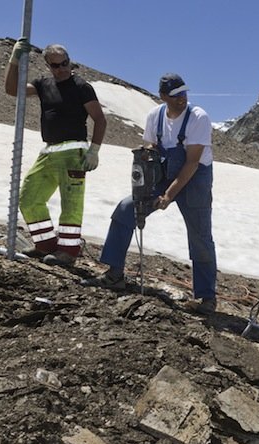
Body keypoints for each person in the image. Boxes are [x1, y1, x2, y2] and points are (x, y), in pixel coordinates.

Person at [83, 73, 218, 315]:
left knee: (200, 236)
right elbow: (151, 146)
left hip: (194, 179)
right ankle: (114, 275)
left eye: (184, 93)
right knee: (126, 210)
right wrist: (147, 166)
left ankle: (206, 297)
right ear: (163, 97)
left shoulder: (198, 118)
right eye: (176, 96)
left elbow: (192, 163)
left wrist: (168, 196)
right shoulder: (154, 117)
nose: (182, 99)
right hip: (163, 173)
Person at [4, 38, 107, 266]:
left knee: (71, 203)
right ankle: (46, 246)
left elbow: (100, 119)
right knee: (29, 198)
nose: (61, 69)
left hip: (74, 152)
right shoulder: (43, 84)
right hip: (49, 152)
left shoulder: (81, 86)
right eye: (55, 65)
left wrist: (94, 150)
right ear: (48, 66)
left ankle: (68, 252)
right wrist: (15, 59)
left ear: (70, 62)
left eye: (64, 63)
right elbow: (12, 90)